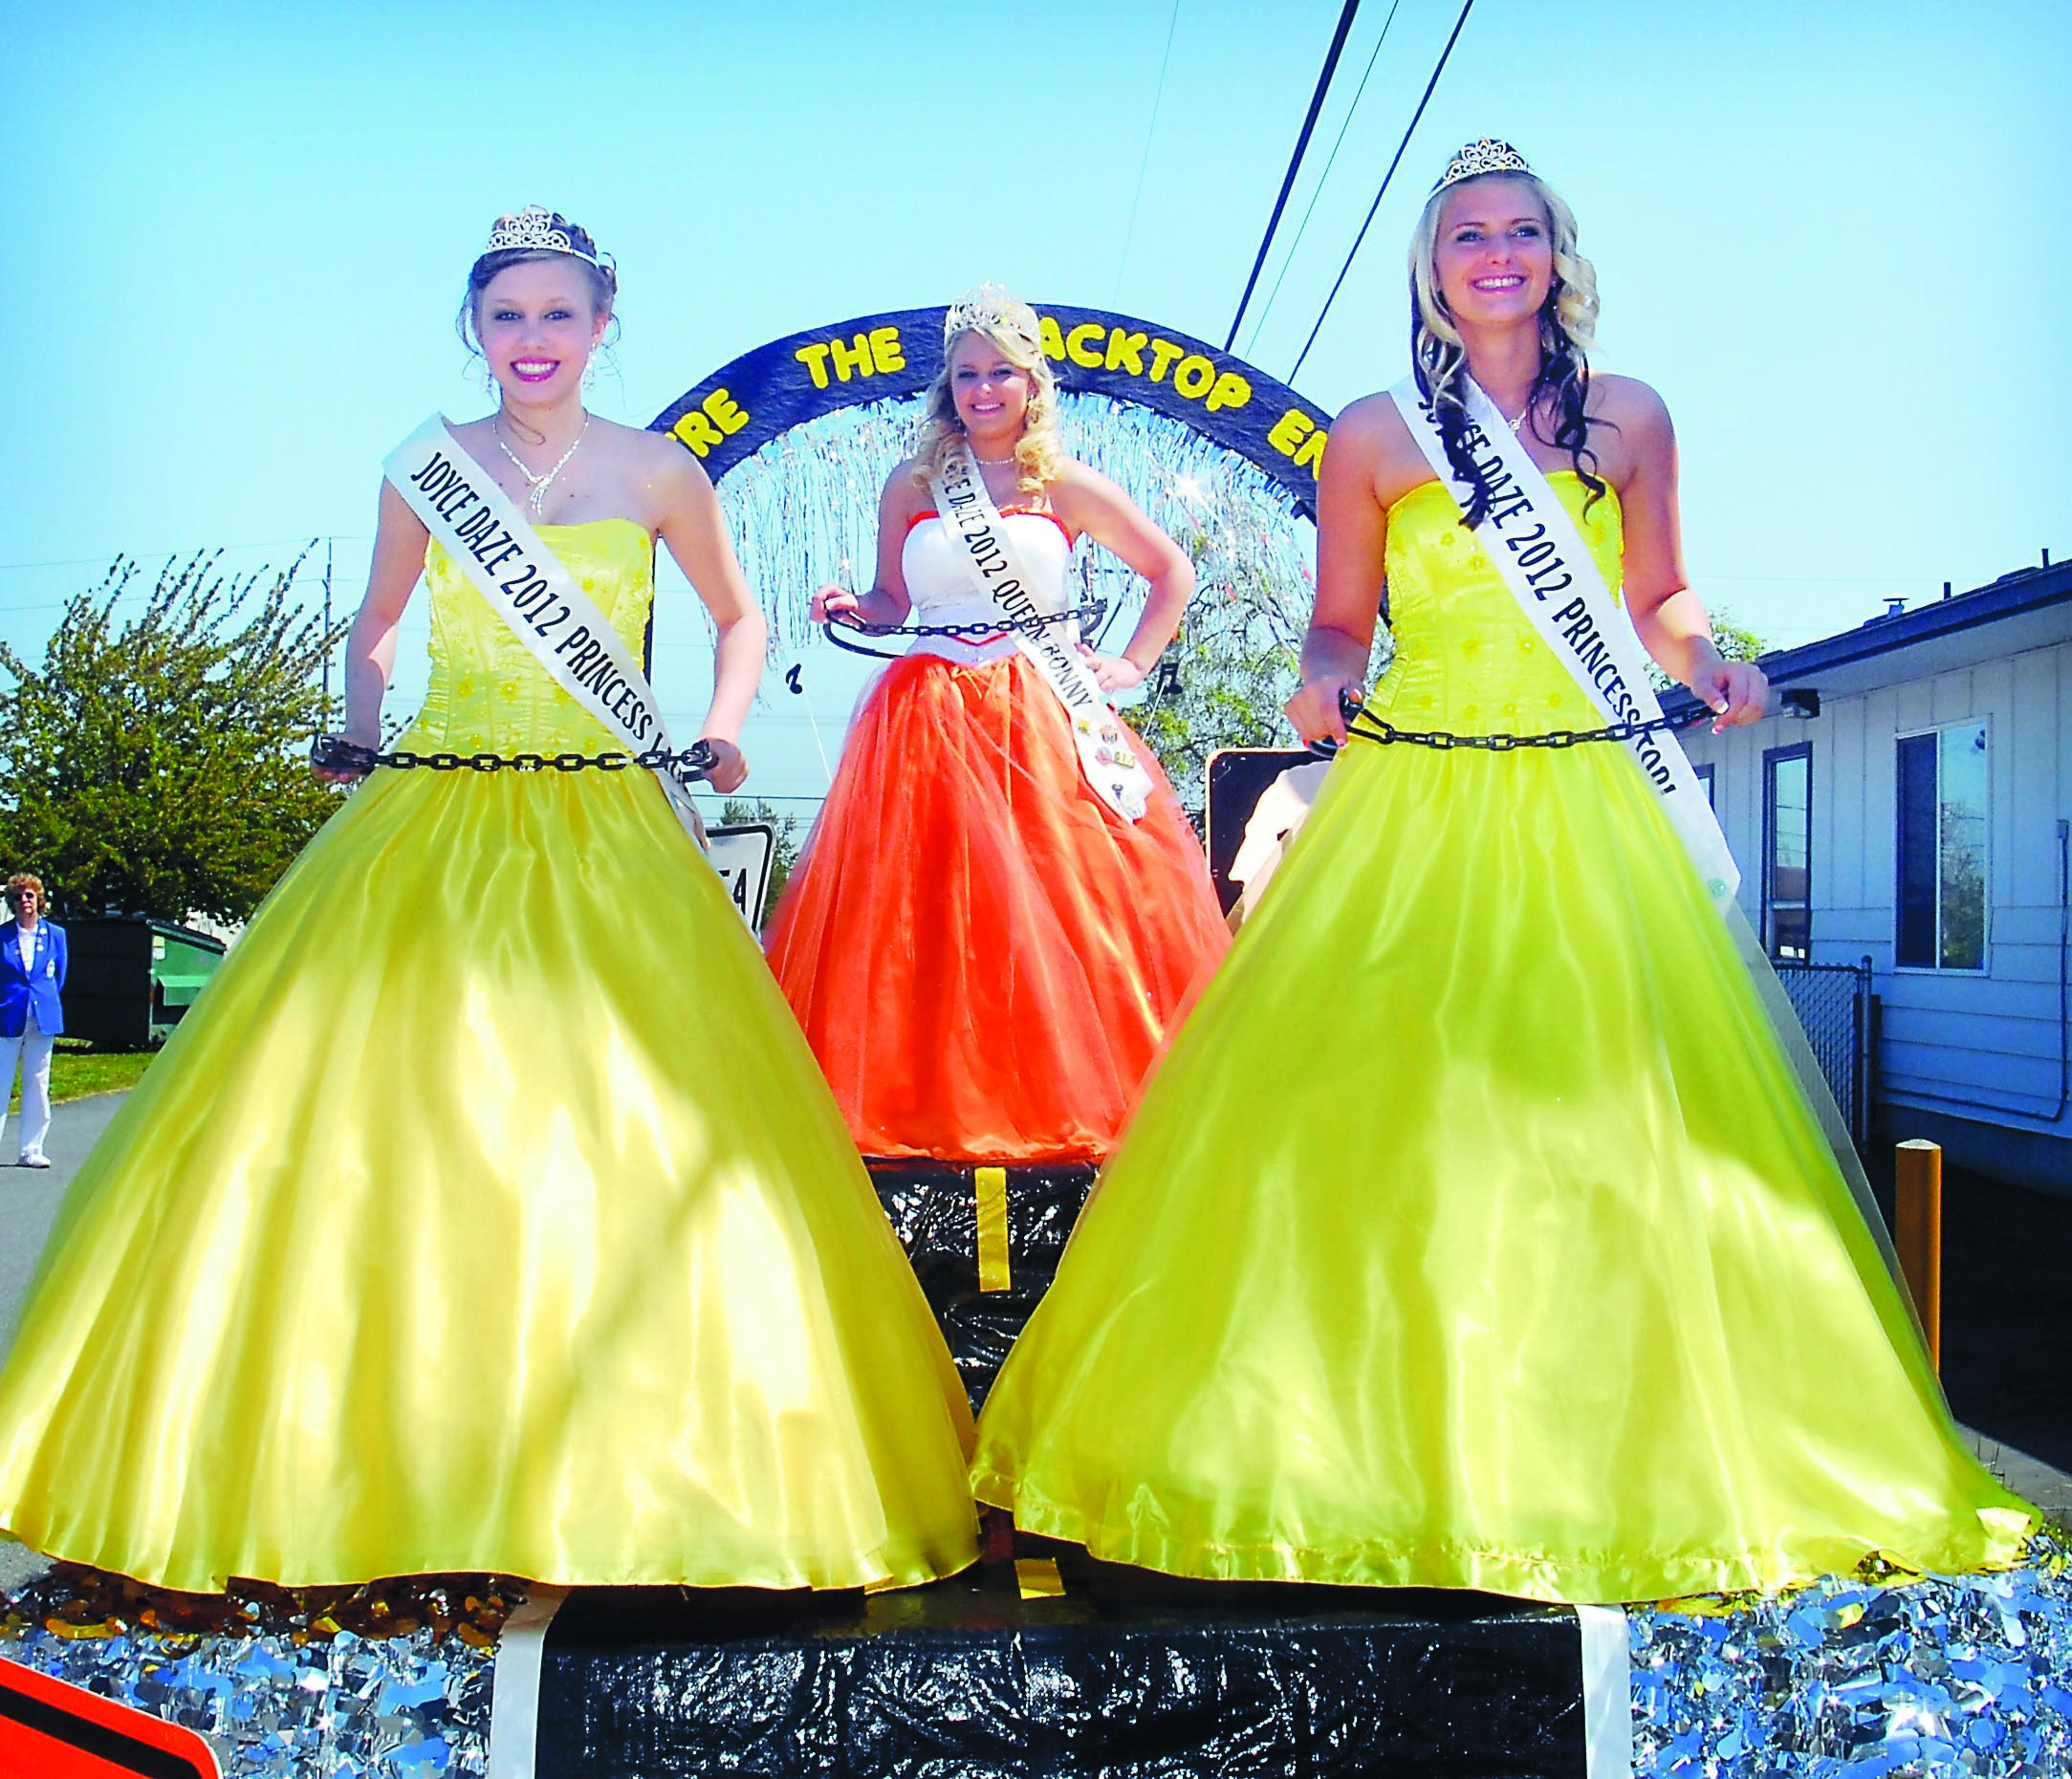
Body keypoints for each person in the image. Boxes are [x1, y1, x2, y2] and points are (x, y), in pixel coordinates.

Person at [970, 143, 2036, 1602]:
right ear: (1431, 263)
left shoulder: (1630, 419)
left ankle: (1615, 1455)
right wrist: (1318, 683)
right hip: (1418, 790)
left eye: (1518, 232)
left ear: (1555, 254)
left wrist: (1707, 659)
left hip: (1583, 787)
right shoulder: (1374, 435)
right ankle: (1349, 1457)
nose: (1493, 253)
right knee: (1373, 1121)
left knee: (1609, 1127)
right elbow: (1339, 624)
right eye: (1465, 233)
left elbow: (1655, 596)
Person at [0, 207, 977, 1595]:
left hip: (601, 812)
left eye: (557, 315)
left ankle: (631, 1469)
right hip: (440, 797)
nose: (532, 340)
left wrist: (726, 717)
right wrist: (356, 717)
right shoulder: (426, 469)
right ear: (477, 328)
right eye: (507, 315)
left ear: (599, 327)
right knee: (379, 1110)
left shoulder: (657, 471)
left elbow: (739, 615)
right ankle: (354, 1459)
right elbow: (379, 619)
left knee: (626, 1112)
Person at [764, 286, 1230, 1163]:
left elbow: (1170, 571)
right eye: (968, 374)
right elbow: (893, 597)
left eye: (1001, 374)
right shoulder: (911, 483)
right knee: (920, 920)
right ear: (948, 383)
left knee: (1064, 914)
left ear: (1031, 382)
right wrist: (857, 607)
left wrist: (1127, 664)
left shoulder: (1062, 483)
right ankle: (926, 1105)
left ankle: (1073, 1105)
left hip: (1038, 713)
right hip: (925, 716)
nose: (983, 391)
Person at [0, 874, 66, 1169]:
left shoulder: (56, 935)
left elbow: (58, 975)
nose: (24, 901)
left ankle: (31, 1149)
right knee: (1, 1082)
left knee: (38, 1082)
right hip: (7, 1016)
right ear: (11, 903)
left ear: (39, 899)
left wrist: (42, 1001)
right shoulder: (2, 936)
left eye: (29, 895)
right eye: (18, 897)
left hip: (42, 1017)